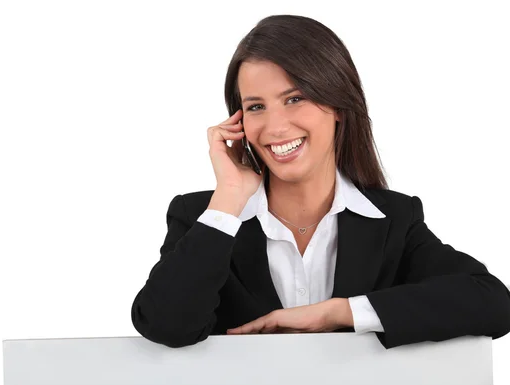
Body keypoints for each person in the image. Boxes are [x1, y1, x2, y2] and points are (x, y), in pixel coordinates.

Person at [130, 14, 510, 349]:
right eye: (256, 106)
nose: (276, 127)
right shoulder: (205, 218)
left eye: (294, 99)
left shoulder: (393, 220)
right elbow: (166, 325)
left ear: (339, 107)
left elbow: (493, 303)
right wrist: (228, 199)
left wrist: (340, 313)